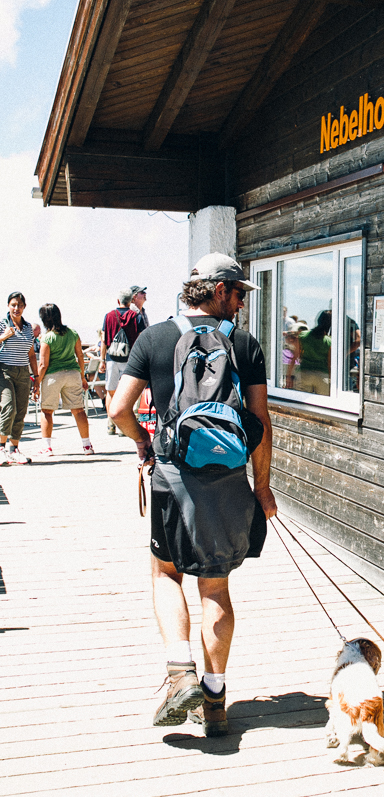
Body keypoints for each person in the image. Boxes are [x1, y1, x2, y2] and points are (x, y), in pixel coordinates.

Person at [110, 253, 277, 736]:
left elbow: (119, 407)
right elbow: (262, 424)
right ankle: (216, 700)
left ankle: (179, 671)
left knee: (166, 573)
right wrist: (261, 487)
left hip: (171, 474)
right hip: (227, 482)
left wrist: (143, 441)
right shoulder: (244, 345)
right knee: (216, 587)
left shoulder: (155, 337)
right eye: (240, 292)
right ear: (219, 289)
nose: (243, 303)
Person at [36, 304, 94, 458]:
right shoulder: (73, 333)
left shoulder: (47, 337)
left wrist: (36, 382)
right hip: (73, 373)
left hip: (53, 376)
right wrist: (82, 376)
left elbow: (43, 364)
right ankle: (87, 445)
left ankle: (47, 447)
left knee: (47, 411)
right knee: (78, 410)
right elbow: (80, 356)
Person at [0, 292, 39, 465]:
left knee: (21, 410)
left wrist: (36, 376)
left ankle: (14, 448)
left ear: (24, 307)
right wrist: (4, 336)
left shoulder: (28, 327)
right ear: (8, 305)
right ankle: (1, 448)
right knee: (9, 407)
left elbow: (31, 354)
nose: (16, 308)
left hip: (23, 371)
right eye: (13, 305)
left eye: (20, 305)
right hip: (4, 371)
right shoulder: (2, 324)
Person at [100, 291, 140, 435]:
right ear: (131, 301)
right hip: (129, 359)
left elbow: (104, 340)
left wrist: (101, 360)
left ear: (118, 301)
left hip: (112, 358)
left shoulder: (109, 316)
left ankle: (111, 424)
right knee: (126, 393)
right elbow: (140, 339)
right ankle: (124, 426)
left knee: (111, 393)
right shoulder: (135, 316)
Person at [294, 309, 332, 395]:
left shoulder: (303, 335)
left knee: (301, 403)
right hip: (322, 376)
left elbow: (296, 355)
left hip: (304, 373)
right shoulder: (329, 341)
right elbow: (329, 363)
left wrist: (289, 375)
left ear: (318, 320)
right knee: (323, 405)